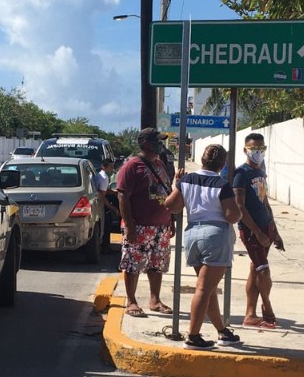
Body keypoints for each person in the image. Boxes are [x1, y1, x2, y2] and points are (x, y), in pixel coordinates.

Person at [164, 144, 243, 349]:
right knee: (203, 289)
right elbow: (231, 216)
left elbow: (171, 206)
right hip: (215, 235)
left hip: (192, 234)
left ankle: (222, 331)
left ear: (202, 159)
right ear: (222, 164)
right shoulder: (222, 185)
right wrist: (239, 210)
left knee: (208, 288)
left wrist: (177, 185)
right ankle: (193, 336)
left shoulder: (186, 180)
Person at [116, 128, 175, 317]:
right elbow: (123, 197)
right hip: (139, 226)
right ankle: (131, 301)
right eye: (157, 141)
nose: (161, 145)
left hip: (161, 226)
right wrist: (129, 226)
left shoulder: (160, 164)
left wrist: (171, 220)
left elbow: (167, 191)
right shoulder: (132, 166)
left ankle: (155, 300)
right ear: (146, 143)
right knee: (133, 264)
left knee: (157, 264)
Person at [233, 133, 284, 328]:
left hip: (266, 227)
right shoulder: (241, 174)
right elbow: (240, 206)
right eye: (254, 149)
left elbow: (265, 202)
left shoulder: (260, 172)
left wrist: (274, 230)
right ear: (245, 150)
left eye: (262, 149)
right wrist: (257, 232)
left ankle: (250, 314)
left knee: (255, 270)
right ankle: (267, 309)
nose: (258, 152)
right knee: (263, 270)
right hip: (252, 231)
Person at [98, 157, 120, 253]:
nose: (112, 169)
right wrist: (112, 208)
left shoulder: (100, 175)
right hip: (101, 205)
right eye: (110, 167)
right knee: (107, 224)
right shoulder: (104, 178)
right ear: (104, 167)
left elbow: (105, 190)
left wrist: (115, 192)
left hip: (101, 203)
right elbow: (102, 196)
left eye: (112, 166)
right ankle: (105, 247)